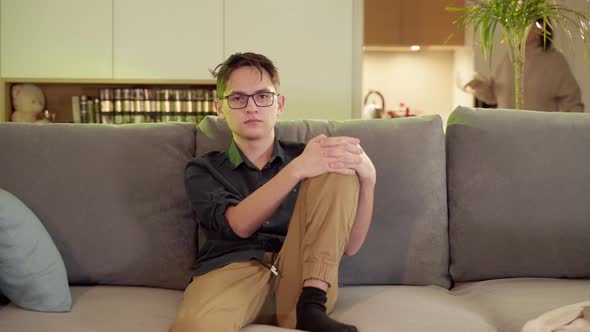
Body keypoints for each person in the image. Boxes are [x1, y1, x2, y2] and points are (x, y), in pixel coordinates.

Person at [169, 52, 376, 332]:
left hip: (302, 275)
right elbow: (239, 225)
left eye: (262, 96)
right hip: (232, 271)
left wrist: (368, 180)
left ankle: (311, 305)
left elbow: (349, 246)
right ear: (220, 107)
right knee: (192, 327)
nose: (251, 107)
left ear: (279, 104)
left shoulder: (312, 158)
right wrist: (295, 171)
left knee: (334, 160)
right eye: (238, 98)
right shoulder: (204, 168)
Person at [464, 18, 584, 112]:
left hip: (539, 133)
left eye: (524, 24)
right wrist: (479, 86)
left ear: (540, 29)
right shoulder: (510, 57)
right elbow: (494, 95)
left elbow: (572, 104)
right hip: (504, 130)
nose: (517, 29)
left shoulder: (555, 62)